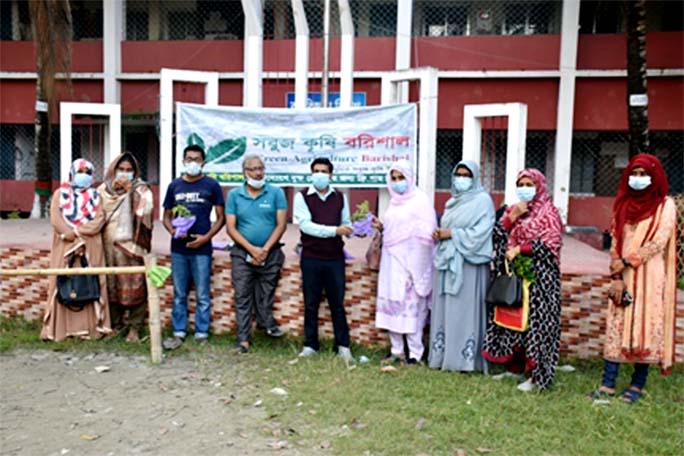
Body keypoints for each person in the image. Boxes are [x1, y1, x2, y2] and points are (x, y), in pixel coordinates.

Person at [589, 154, 677, 404]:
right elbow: (615, 240)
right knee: (618, 322)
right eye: (634, 174)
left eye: (643, 174)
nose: (638, 179)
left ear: (655, 176)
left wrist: (629, 261)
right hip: (623, 275)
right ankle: (608, 384)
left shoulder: (664, 205)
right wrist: (616, 274)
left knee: (645, 324)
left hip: (650, 275)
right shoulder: (623, 204)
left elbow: (659, 241)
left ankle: (637, 385)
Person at [482, 168, 563, 391]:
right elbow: (497, 236)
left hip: (541, 278)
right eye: (521, 184)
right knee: (514, 323)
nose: (525, 189)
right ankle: (515, 369)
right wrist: (512, 217)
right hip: (517, 277)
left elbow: (552, 244)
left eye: (529, 184)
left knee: (538, 325)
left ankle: (538, 377)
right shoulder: (513, 210)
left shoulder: (549, 213)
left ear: (539, 187)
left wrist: (521, 249)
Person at [428, 160, 495, 372]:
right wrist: (441, 234)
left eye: (467, 175)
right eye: (459, 174)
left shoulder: (483, 201)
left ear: (474, 178)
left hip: (469, 265)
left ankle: (466, 361)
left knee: (466, 312)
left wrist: (452, 234)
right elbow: (448, 227)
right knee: (447, 311)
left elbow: (482, 233)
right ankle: (444, 357)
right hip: (449, 263)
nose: (462, 179)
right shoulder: (452, 202)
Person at [373, 160, 437, 365]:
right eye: (393, 178)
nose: (397, 182)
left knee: (413, 310)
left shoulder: (420, 201)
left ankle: (415, 354)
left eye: (401, 178)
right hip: (391, 264)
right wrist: (382, 227)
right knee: (393, 306)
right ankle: (396, 350)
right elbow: (395, 232)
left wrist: (415, 268)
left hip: (412, 265)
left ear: (410, 178)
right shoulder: (393, 202)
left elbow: (426, 236)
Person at [162, 145, 225, 349]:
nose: (193, 163)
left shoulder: (212, 185)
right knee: (179, 292)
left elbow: (221, 218)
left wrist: (206, 238)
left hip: (202, 249)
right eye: (189, 159)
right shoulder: (175, 186)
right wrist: (173, 231)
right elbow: (166, 216)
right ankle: (179, 330)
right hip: (179, 249)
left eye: (197, 159)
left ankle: (201, 332)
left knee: (202, 294)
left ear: (203, 162)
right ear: (182, 161)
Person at [41, 159, 112, 341]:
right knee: (62, 282)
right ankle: (59, 330)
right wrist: (71, 236)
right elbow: (56, 220)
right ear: (72, 173)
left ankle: (93, 329)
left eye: (88, 172)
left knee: (92, 283)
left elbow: (99, 220)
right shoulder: (60, 194)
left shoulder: (97, 196)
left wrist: (77, 233)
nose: (84, 175)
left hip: (90, 245)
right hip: (64, 245)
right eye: (80, 171)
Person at [226, 154, 288, 353]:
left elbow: (281, 225)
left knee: (266, 291)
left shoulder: (276, 193)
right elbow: (231, 228)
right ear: (245, 172)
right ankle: (243, 340)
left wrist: (265, 250)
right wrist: (252, 249)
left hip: (271, 253)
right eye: (253, 169)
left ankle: (266, 323)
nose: (258, 172)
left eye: (261, 168)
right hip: (242, 254)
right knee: (242, 294)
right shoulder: (234, 195)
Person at [294, 157, 354, 361]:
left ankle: (343, 346)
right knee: (311, 303)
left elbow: (346, 222)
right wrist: (335, 230)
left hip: (335, 258)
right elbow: (306, 226)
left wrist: (352, 229)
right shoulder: (302, 196)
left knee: (337, 303)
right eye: (316, 171)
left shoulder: (340, 197)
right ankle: (311, 344)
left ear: (331, 175)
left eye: (324, 171)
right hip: (311, 257)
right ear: (311, 174)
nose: (319, 175)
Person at [98, 152, 154, 343]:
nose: (124, 173)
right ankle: (115, 325)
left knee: (135, 283)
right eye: (121, 169)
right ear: (113, 170)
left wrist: (132, 193)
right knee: (112, 283)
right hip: (108, 246)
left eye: (129, 170)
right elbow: (96, 214)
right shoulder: (103, 190)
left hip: (134, 246)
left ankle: (134, 329)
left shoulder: (142, 189)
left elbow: (146, 210)